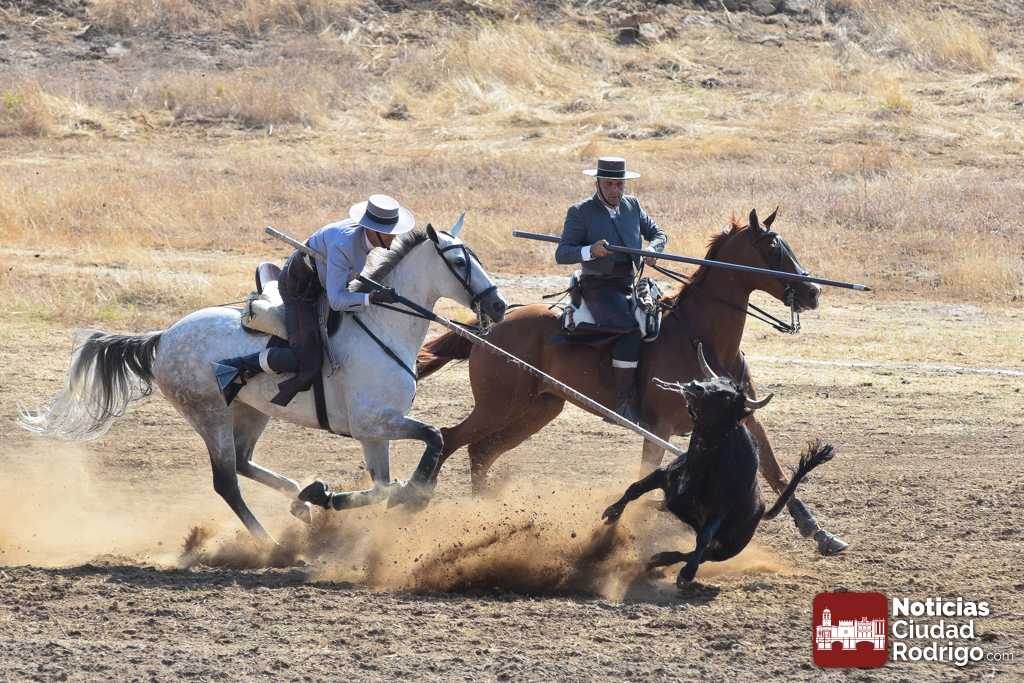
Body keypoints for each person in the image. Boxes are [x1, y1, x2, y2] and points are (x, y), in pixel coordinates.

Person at [214, 194, 414, 406]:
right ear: (373, 230)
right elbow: (337, 300)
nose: (394, 237)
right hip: (300, 290)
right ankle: (236, 367)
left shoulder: (362, 238)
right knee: (309, 362)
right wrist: (372, 297)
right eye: (390, 233)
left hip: (321, 281)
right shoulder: (345, 245)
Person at [555, 157, 667, 422]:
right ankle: (622, 402)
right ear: (598, 183)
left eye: (619, 184)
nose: (615, 190)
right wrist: (590, 251)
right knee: (630, 328)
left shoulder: (633, 206)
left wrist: (653, 249)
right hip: (598, 287)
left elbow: (659, 234)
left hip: (629, 284)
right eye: (609, 184)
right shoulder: (580, 212)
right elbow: (562, 253)